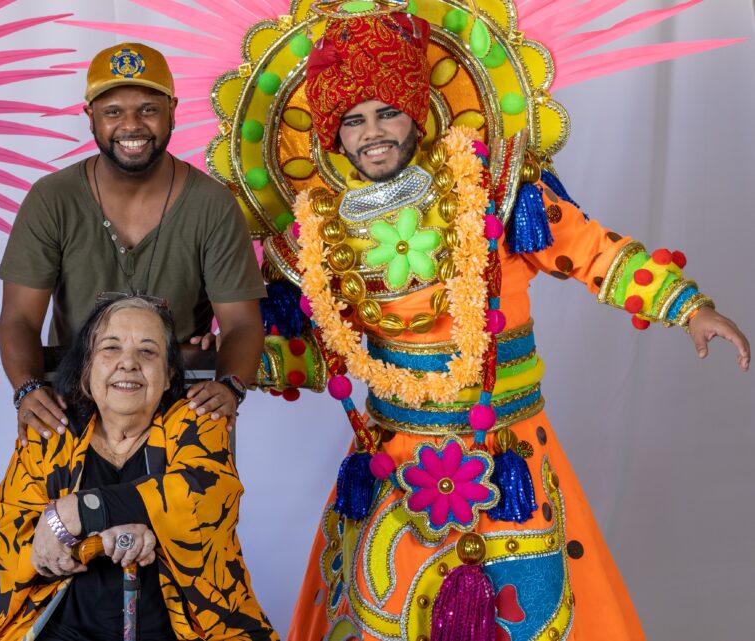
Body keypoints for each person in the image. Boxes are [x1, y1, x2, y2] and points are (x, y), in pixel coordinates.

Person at [271, 9, 750, 641]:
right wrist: (243, 362)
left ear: (417, 113)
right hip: (393, 459)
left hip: (508, 452)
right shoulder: (322, 236)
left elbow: (596, 252)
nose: (373, 133)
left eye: (387, 112)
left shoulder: (499, 195)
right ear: (335, 138)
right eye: (353, 121)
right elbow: (321, 354)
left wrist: (687, 307)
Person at [0, 42, 265, 443]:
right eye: (113, 112)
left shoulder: (212, 204)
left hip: (182, 408)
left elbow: (242, 324)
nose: (132, 125)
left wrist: (229, 387)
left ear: (172, 110)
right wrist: (28, 390)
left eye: (148, 109)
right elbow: (18, 319)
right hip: (72, 406)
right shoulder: (52, 198)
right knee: (59, 508)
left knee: (184, 507)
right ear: (90, 117)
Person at [0, 296, 278, 641]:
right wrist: (106, 537)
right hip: (61, 631)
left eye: (148, 351)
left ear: (169, 376)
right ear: (86, 370)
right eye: (110, 348)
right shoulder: (51, 434)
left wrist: (81, 510)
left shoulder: (197, 422)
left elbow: (199, 499)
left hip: (180, 631)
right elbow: (19, 540)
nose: (128, 363)